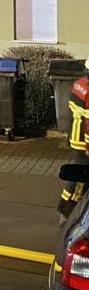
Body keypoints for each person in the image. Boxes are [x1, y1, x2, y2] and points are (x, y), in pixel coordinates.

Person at [59, 68, 89, 223]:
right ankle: (66, 211)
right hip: (84, 141)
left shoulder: (80, 84)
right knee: (79, 180)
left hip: (76, 136)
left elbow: (71, 114)